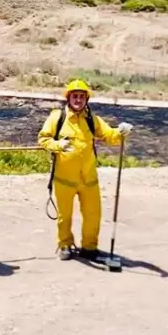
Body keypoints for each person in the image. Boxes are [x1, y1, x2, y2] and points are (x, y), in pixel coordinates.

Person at [37, 79, 133, 260]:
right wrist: (57, 145)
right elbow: (43, 139)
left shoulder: (92, 119)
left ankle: (89, 248)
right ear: (69, 98)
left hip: (89, 178)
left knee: (93, 215)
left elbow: (108, 135)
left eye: (82, 97)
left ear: (86, 99)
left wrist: (120, 132)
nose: (78, 100)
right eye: (75, 96)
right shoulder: (57, 117)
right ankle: (64, 245)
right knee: (64, 216)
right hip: (64, 178)